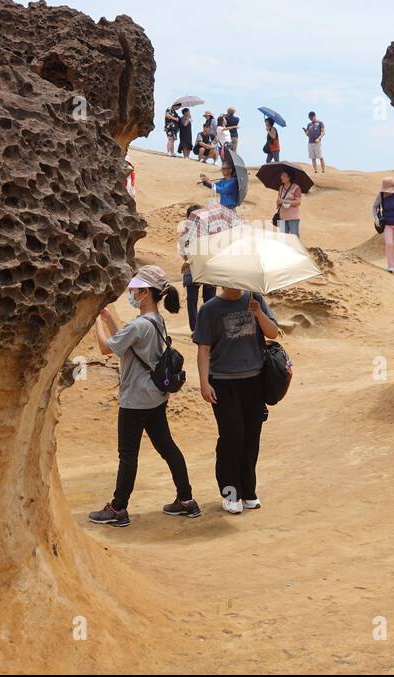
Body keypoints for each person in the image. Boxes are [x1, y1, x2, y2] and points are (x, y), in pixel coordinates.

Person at [89, 265, 201, 527]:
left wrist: (95, 321)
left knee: (128, 454)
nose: (131, 292)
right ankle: (186, 500)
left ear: (147, 293)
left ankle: (118, 508)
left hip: (135, 400)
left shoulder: (139, 325)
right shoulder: (155, 320)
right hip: (155, 397)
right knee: (167, 447)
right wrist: (108, 319)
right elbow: (126, 345)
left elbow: (107, 348)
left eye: (135, 289)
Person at [193, 286, 280, 513]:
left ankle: (249, 491)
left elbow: (273, 333)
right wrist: (204, 382)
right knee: (232, 437)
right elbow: (204, 348)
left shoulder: (255, 299)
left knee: (252, 437)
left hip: (254, 380)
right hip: (223, 381)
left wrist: (258, 313)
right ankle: (231, 493)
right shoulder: (209, 309)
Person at [178, 205, 217, 331]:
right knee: (193, 300)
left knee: (209, 300)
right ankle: (195, 329)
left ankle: (208, 327)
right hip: (194, 268)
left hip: (206, 267)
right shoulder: (185, 234)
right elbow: (184, 253)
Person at [276, 168, 303, 236]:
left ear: (289, 178)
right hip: (282, 216)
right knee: (282, 237)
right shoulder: (281, 187)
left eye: (284, 176)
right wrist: (278, 202)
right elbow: (278, 200)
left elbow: (298, 202)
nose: (281, 177)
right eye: (282, 175)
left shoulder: (296, 188)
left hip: (293, 217)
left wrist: (285, 201)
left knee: (294, 236)